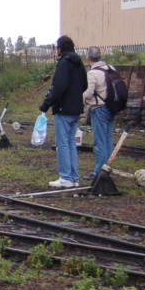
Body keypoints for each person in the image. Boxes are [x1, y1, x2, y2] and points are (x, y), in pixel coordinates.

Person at [39, 35, 88, 188]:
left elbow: (59, 87)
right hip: (76, 108)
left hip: (63, 108)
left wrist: (46, 104)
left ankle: (65, 176)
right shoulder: (79, 63)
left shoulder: (64, 63)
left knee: (63, 144)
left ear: (60, 49)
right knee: (72, 143)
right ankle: (74, 177)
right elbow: (84, 85)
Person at [83, 46, 114, 182]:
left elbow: (89, 92)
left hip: (99, 108)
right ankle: (107, 169)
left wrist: (80, 100)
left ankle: (99, 172)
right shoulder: (111, 68)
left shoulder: (92, 73)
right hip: (112, 107)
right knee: (108, 140)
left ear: (88, 58)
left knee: (99, 141)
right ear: (101, 57)